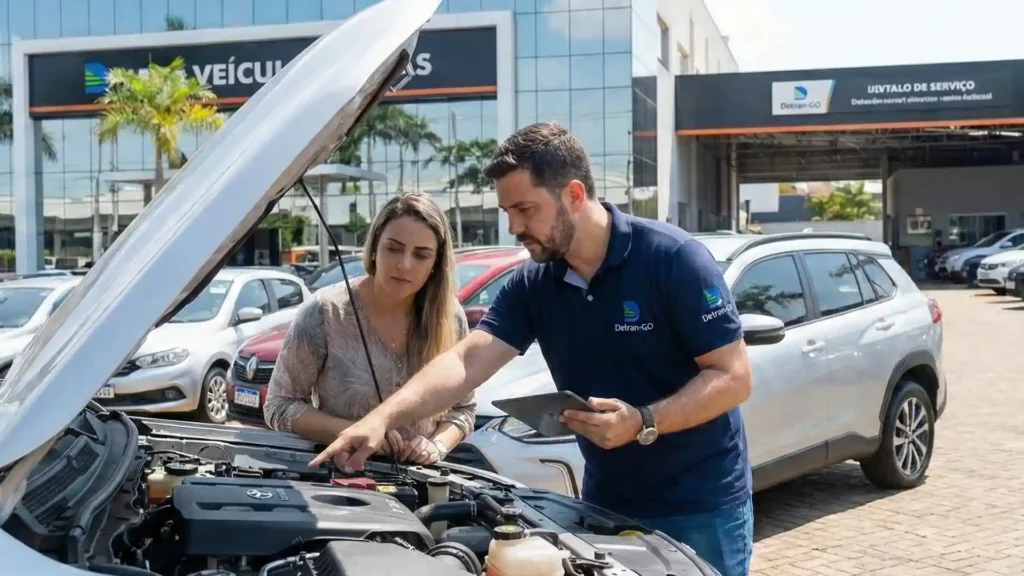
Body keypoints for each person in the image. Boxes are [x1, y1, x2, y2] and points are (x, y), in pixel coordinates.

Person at [309, 123, 754, 576]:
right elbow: (466, 360)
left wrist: (643, 421)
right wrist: (380, 420)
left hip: (700, 506)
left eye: (525, 209)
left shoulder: (673, 258)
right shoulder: (534, 283)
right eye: (507, 211)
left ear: (574, 195)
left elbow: (734, 377)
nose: (514, 227)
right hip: (606, 503)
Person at [264, 192, 475, 465]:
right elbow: (279, 406)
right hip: (342, 478)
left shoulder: (450, 317)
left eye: (421, 255)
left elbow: (463, 409)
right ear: (374, 246)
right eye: (393, 248)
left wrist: (436, 445)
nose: (404, 264)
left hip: (423, 482)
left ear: (436, 264)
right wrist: (354, 432)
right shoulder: (324, 312)